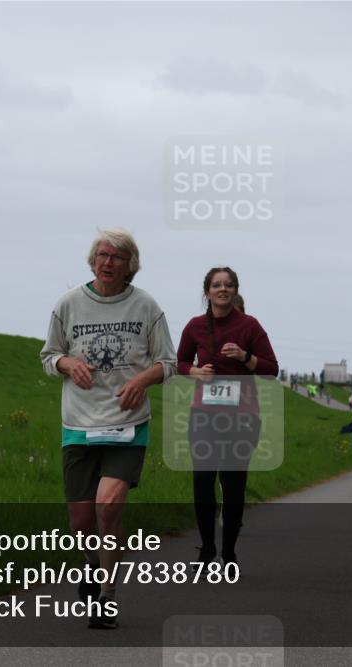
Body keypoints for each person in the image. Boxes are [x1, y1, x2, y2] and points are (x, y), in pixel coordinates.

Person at [40, 228, 176, 629]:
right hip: (79, 423)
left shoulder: (146, 307)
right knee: (82, 522)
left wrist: (140, 381)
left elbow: (168, 363)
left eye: (117, 257)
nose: (107, 262)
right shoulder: (68, 304)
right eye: (102, 255)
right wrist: (68, 364)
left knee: (108, 506)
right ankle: (93, 565)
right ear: (92, 260)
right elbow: (48, 356)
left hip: (127, 425)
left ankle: (107, 597)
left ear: (129, 265)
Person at [177, 267, 278, 566]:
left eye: (229, 285)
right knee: (203, 480)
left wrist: (246, 358)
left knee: (233, 483)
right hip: (203, 416)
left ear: (235, 290)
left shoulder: (249, 326)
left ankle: (229, 552)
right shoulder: (195, 326)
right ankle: (207, 549)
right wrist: (195, 371)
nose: (223, 289)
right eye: (217, 285)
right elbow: (179, 362)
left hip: (242, 417)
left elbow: (271, 369)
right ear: (207, 292)